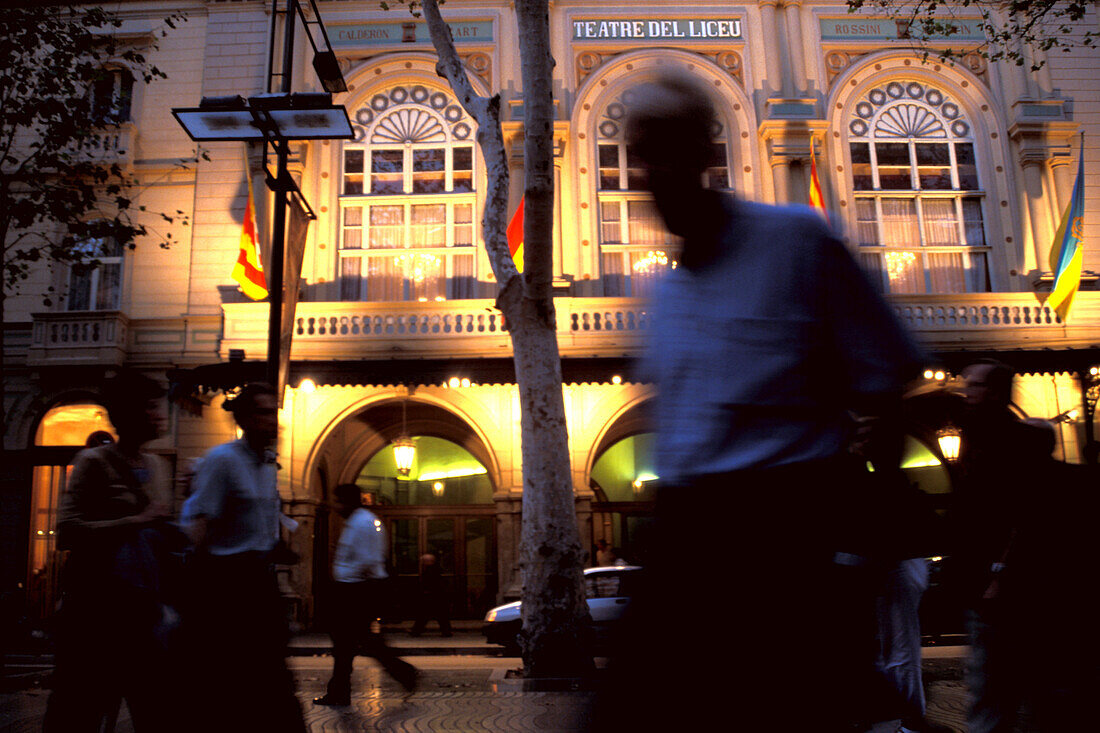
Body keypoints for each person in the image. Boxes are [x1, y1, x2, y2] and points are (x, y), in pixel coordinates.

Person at [591, 70, 924, 733]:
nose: (655, 172)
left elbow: (889, 374)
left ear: (707, 153)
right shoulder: (664, 297)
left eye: (670, 148)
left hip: (782, 539)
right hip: (684, 543)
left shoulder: (798, 243)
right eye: (641, 155)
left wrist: (861, 545)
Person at [952, 362, 1083, 732]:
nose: (966, 392)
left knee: (996, 690)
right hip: (992, 583)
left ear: (994, 392)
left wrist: (999, 573)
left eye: (974, 385)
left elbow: (1022, 516)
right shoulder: (979, 437)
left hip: (1004, 587)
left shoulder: (1005, 443)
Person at [44, 370, 177, 732]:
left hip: (142, 613)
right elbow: (68, 532)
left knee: (154, 710)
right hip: (96, 612)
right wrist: (136, 520)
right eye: (150, 407)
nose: (159, 414)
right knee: (80, 710)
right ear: (128, 413)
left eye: (159, 405)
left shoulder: (157, 466)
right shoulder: (94, 463)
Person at [180, 382, 305, 732]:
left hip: (258, 582)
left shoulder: (267, 466)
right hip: (227, 585)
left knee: (274, 683)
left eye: (274, 412)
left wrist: (280, 550)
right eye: (265, 412)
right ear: (246, 418)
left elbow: (262, 525)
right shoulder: (222, 461)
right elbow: (200, 522)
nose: (273, 420)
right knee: (240, 686)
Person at [314, 483, 417, 705]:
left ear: (348, 501)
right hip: (355, 588)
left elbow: (368, 560)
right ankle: (340, 691)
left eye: (338, 501)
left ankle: (404, 672)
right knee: (349, 644)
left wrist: (354, 588)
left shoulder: (362, 523)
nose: (335, 506)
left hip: (355, 590)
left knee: (352, 644)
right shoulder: (357, 522)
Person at [411, 551, 453, 637]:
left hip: (431, 596)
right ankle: (446, 631)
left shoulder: (430, 571)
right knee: (440, 616)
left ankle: (416, 631)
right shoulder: (436, 569)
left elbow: (431, 583)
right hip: (437, 596)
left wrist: (425, 591)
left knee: (424, 615)